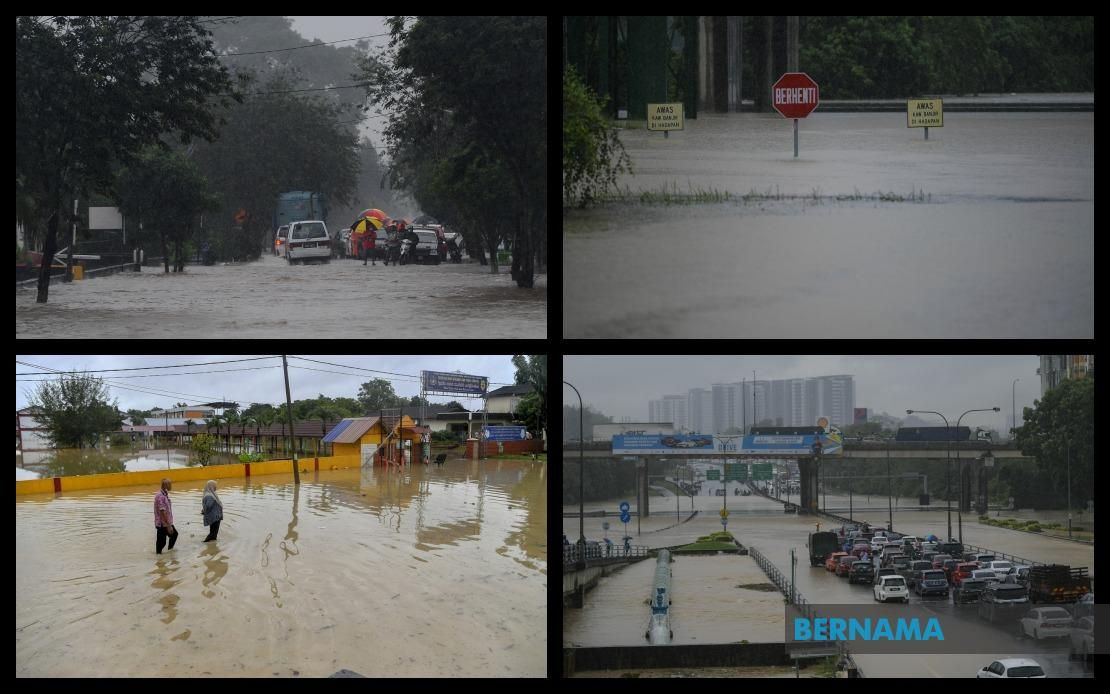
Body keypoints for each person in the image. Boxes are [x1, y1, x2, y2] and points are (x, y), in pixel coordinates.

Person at [154, 478, 178, 554]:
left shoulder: (164, 494)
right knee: (162, 542)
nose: (171, 486)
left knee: (171, 536)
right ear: (165, 485)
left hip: (165, 522)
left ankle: (167, 553)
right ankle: (161, 558)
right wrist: (168, 525)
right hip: (162, 524)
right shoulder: (161, 496)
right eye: (170, 484)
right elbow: (162, 512)